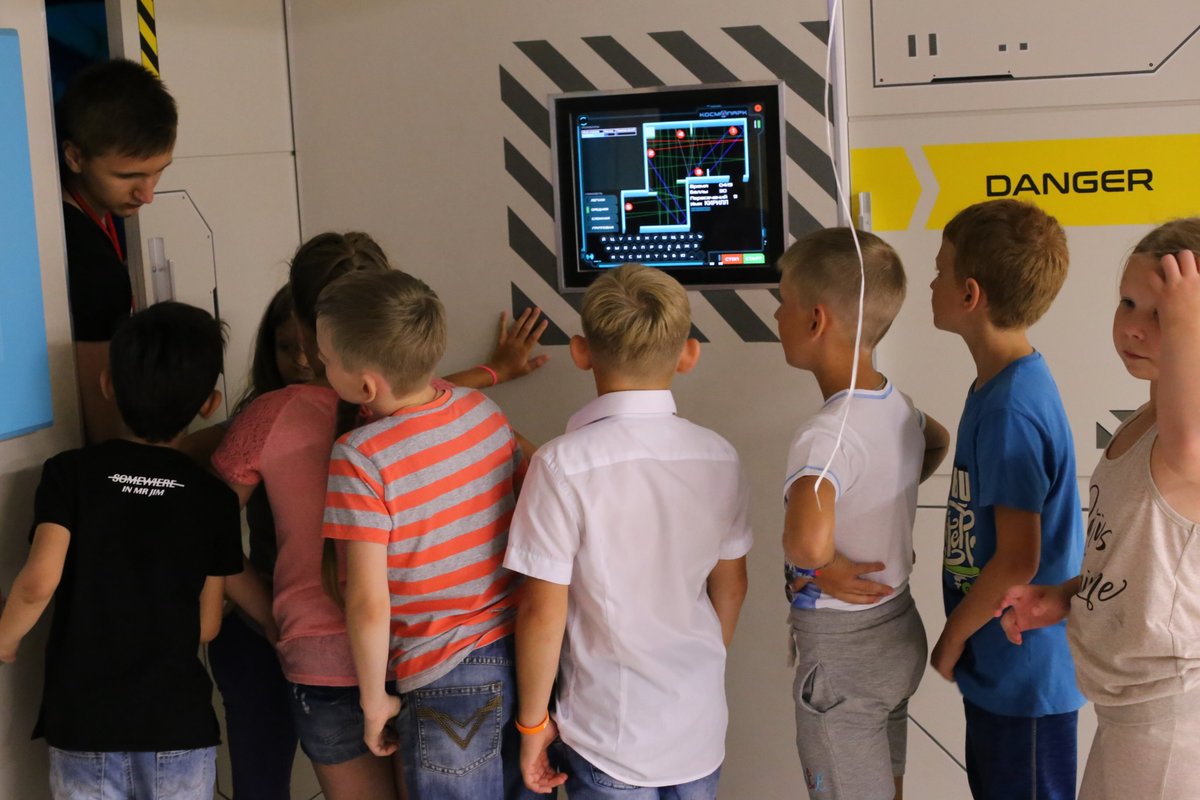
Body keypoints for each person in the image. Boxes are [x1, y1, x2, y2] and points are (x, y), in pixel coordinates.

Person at [506, 263, 752, 798]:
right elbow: (732, 586)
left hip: (605, 732)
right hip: (697, 726)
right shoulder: (719, 456)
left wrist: (531, 726)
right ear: (688, 354)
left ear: (580, 351)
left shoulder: (559, 466)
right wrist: (696, 671)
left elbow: (542, 611)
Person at [0, 302, 243, 800]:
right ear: (210, 403)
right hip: (178, 727)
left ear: (107, 384)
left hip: (86, 727)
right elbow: (207, 625)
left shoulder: (69, 473)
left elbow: (38, 582)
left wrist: (4, 638)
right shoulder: (213, 498)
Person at [997, 219, 1200, 799]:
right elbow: (1140, 557)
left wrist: (1187, 321)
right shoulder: (1144, 423)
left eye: (1162, 314)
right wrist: (1066, 596)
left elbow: (1189, 445)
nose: (1133, 326)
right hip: (1125, 716)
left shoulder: (1188, 441)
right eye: (1128, 303)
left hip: (1171, 720)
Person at [317, 269, 528, 799]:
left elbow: (368, 600)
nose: (322, 368)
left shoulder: (360, 456)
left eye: (326, 360)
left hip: (443, 670)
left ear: (366, 386)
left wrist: (374, 703)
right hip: (522, 651)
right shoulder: (482, 410)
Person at [774, 229, 948, 800]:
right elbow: (937, 439)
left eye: (782, 302)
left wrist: (820, 569)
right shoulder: (896, 405)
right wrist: (888, 496)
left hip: (843, 653)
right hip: (897, 630)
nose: (776, 315)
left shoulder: (825, 435)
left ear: (815, 320)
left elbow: (806, 543)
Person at [928, 199, 1085, 799]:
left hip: (1024, 681)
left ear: (970, 294)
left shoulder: (1011, 407)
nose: (932, 283)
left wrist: (953, 637)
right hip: (1001, 673)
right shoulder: (999, 386)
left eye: (940, 271)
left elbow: (1019, 558)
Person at [57, 59, 177, 444]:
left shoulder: (67, 215)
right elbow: (103, 427)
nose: (148, 194)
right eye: (128, 177)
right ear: (74, 157)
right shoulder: (91, 266)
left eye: (158, 170)